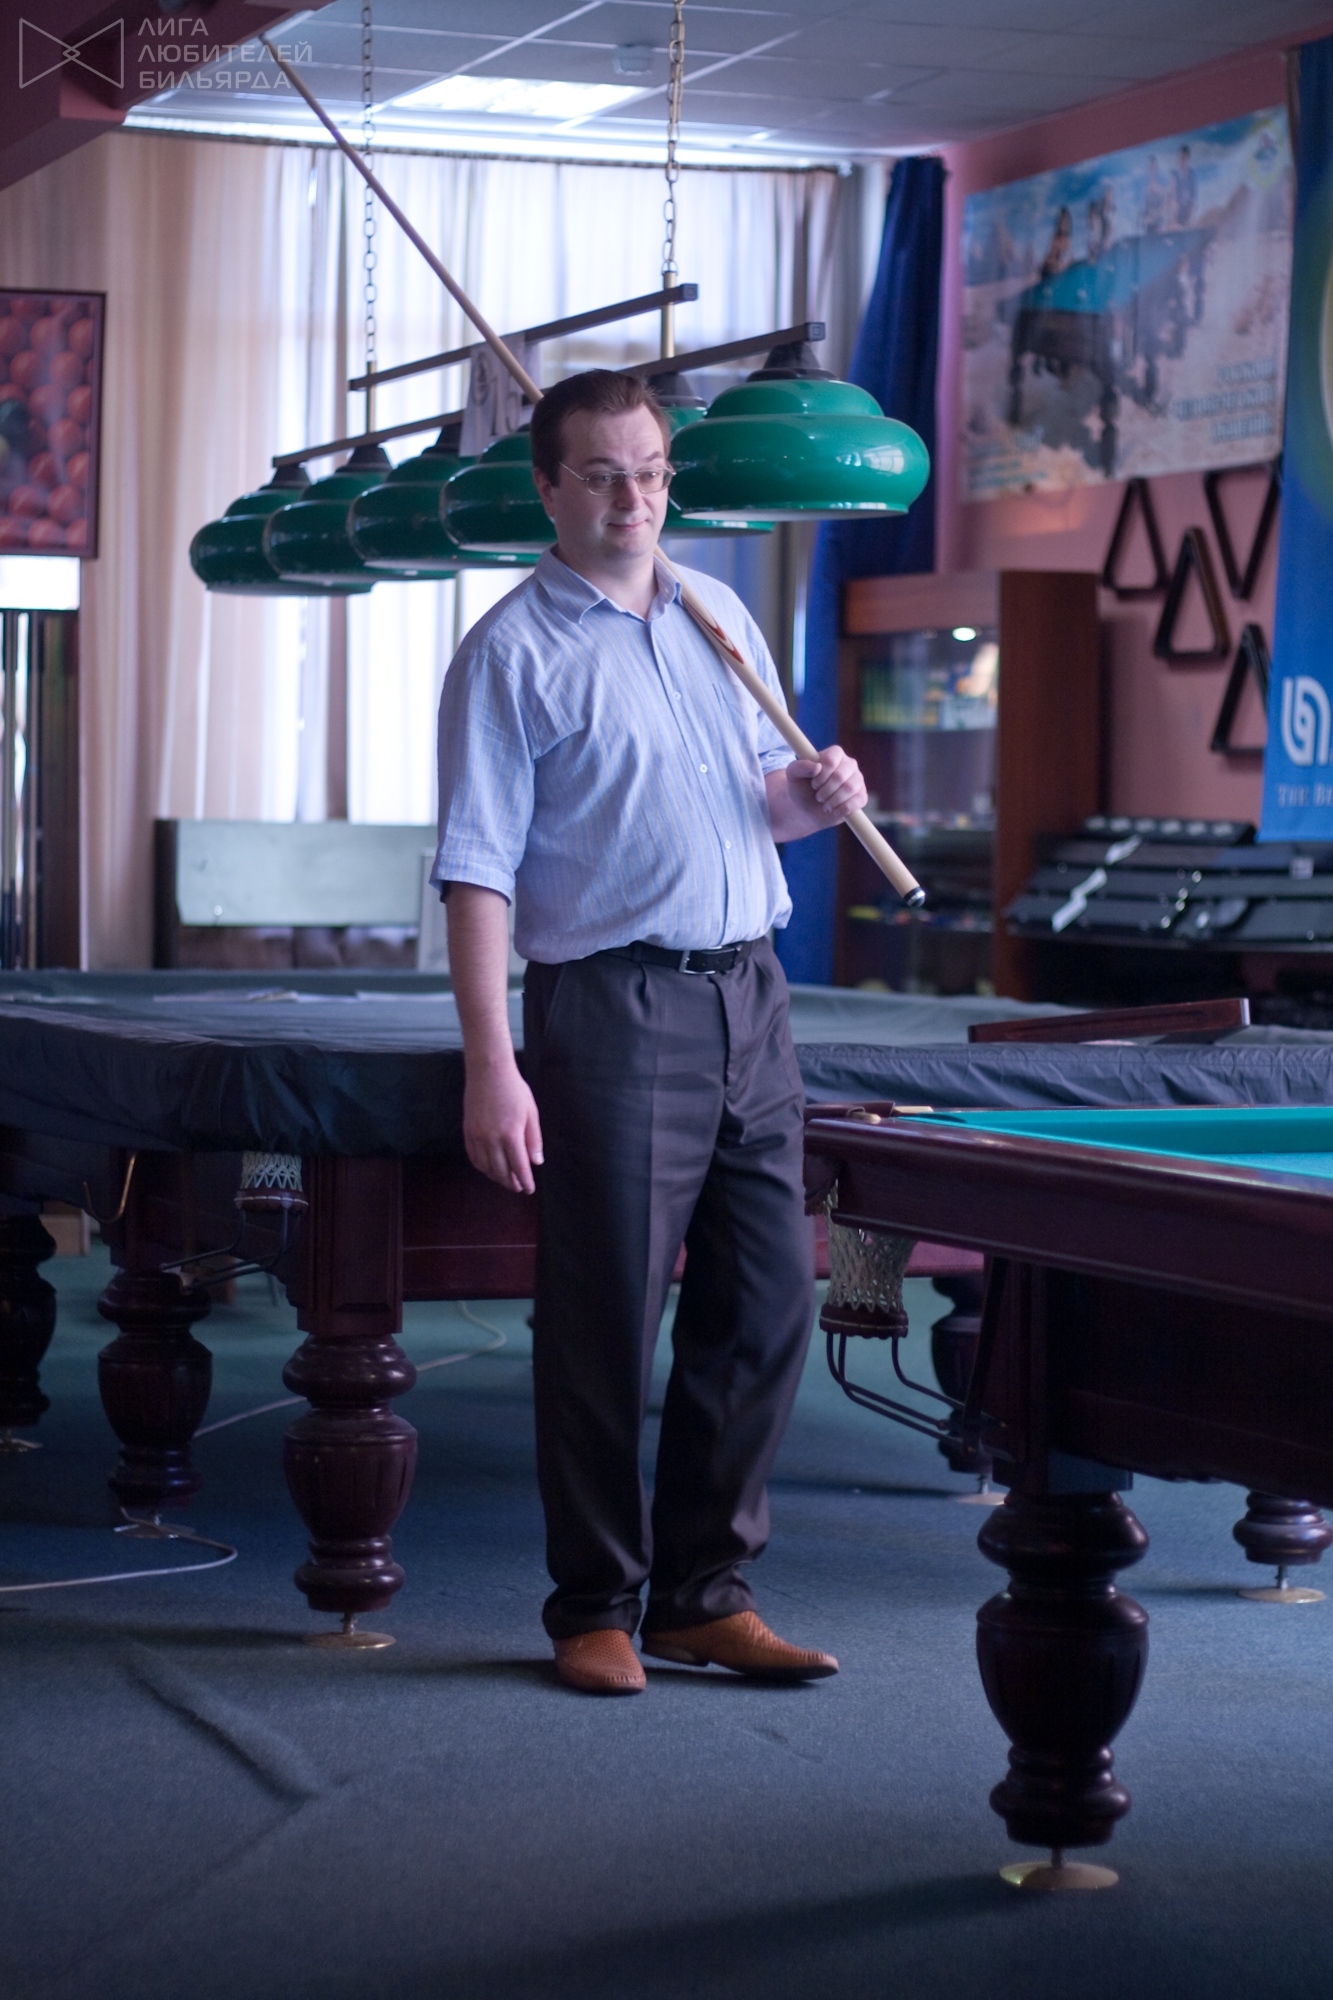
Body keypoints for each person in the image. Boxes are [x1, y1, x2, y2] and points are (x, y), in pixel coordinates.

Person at [433, 369, 867, 1696]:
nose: (634, 499)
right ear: (548, 489)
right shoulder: (510, 652)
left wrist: (812, 798)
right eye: (604, 475)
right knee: (605, 1319)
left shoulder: (718, 615)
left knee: (768, 1303)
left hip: (750, 993)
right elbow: (476, 870)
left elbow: (753, 806)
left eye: (653, 472)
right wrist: (493, 1063)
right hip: (612, 1007)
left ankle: (701, 1598)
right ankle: (594, 1608)